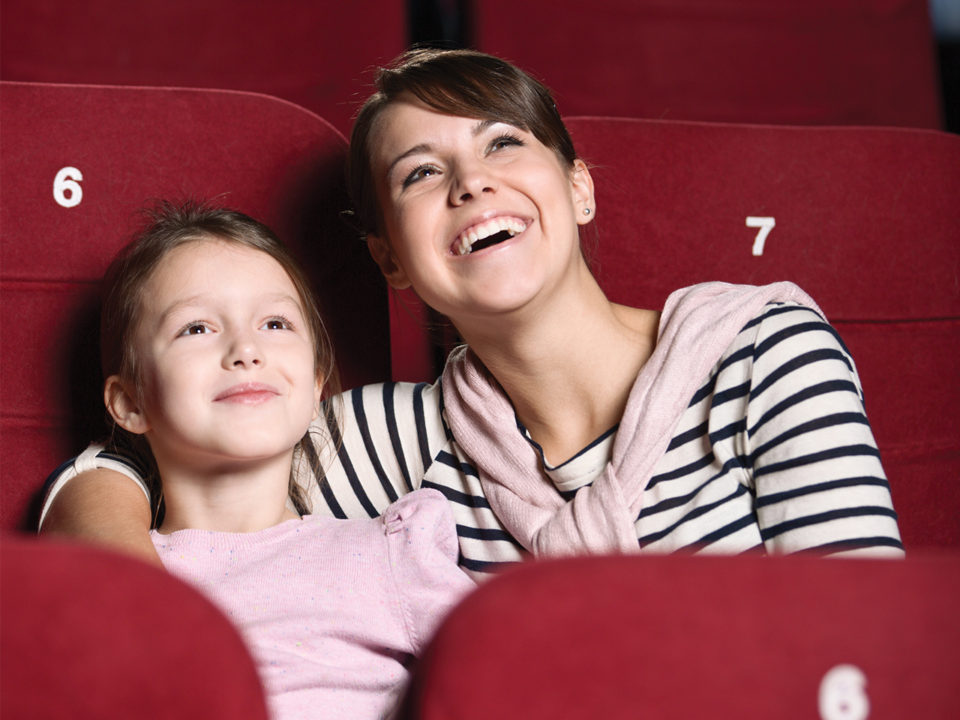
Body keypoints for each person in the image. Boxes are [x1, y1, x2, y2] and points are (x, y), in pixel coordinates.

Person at [41, 49, 903, 579]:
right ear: (391, 261)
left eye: (502, 143)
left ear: (578, 187)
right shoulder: (391, 442)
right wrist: (130, 579)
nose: (470, 184)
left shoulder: (760, 349)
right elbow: (142, 460)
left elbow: (857, 635)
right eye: (420, 174)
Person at [80, 200, 473, 719]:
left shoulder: (388, 555)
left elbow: (509, 682)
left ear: (315, 389)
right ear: (131, 403)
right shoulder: (105, 578)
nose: (246, 349)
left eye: (275, 323)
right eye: (196, 328)